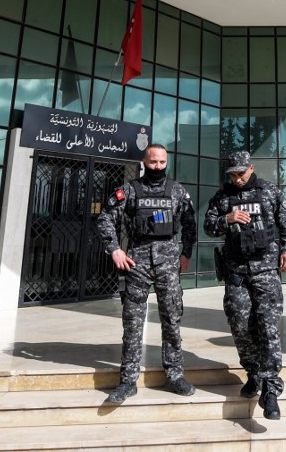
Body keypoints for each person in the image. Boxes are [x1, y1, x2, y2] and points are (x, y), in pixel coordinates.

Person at [97, 143, 198, 404]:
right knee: (132, 322)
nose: (158, 167)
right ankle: (128, 381)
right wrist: (115, 250)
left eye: (162, 162)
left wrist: (186, 253)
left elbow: (190, 222)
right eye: (153, 162)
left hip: (168, 261)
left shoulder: (176, 191)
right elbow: (105, 217)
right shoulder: (130, 190)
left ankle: (175, 376)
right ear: (144, 161)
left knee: (172, 319)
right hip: (137, 261)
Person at [204, 151, 286, 420]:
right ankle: (253, 373)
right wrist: (227, 219)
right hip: (236, 272)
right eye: (232, 174)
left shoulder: (269, 192)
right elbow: (208, 226)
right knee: (240, 325)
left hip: (266, 270)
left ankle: (270, 389)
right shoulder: (223, 197)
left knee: (267, 326)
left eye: (241, 174)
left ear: (251, 169)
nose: (237, 178)